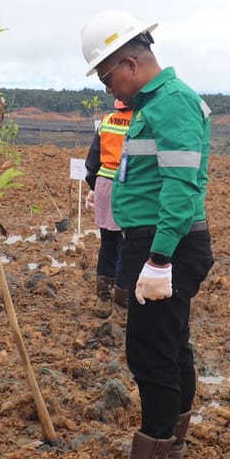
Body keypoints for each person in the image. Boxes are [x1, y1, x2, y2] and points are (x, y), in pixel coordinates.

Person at [80, 9, 214, 459]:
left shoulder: (171, 104)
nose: (109, 90)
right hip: (157, 241)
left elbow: (180, 186)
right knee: (172, 345)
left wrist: (159, 260)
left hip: (165, 244)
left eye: (107, 76)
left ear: (131, 63)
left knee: (150, 353)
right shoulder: (151, 105)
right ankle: (171, 445)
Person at [83, 97, 133, 317]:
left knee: (107, 244)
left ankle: (103, 301)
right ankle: (122, 305)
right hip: (128, 188)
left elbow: (92, 163)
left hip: (104, 184)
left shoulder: (107, 120)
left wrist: (95, 188)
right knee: (126, 247)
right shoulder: (140, 121)